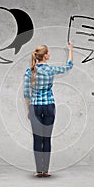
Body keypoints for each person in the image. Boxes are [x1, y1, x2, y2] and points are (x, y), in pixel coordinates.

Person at [24, 43, 73, 177]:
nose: (49, 54)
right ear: (45, 56)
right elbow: (68, 66)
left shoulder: (30, 71)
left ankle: (39, 170)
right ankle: (46, 170)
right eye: (48, 53)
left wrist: (29, 109)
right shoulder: (51, 70)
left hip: (35, 106)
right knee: (47, 138)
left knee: (37, 139)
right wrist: (70, 50)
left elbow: (26, 93)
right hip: (49, 106)